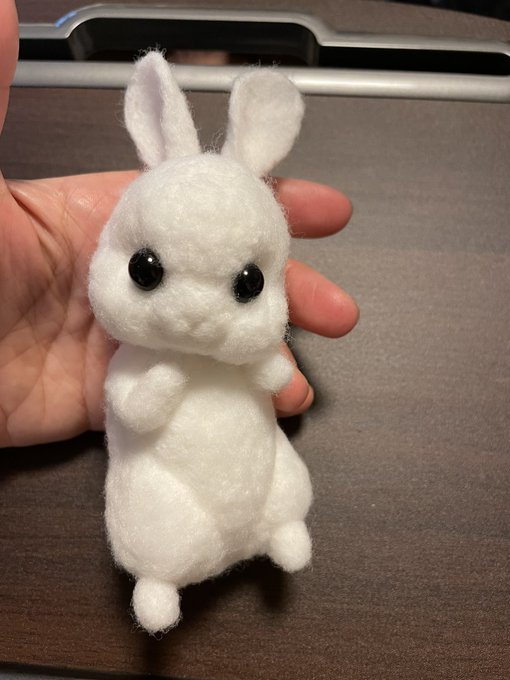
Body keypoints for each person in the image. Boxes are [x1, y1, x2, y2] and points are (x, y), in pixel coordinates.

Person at [0, 0, 358, 448]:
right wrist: (159, 387)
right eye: (147, 272)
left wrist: (267, 368)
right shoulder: (133, 362)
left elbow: (275, 375)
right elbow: (133, 410)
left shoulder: (232, 355)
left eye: (246, 285)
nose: (193, 314)